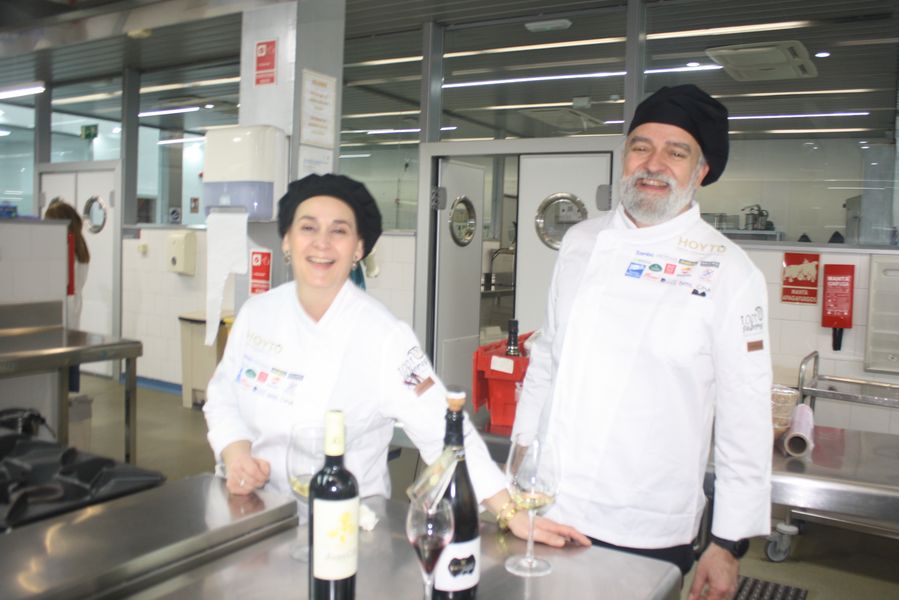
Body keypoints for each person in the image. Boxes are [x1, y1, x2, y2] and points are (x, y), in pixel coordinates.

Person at [203, 173, 587, 548]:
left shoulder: (383, 335)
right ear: (287, 239)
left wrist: (510, 512)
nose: (322, 243)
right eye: (308, 228)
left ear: (358, 248)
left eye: (339, 231)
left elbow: (443, 431)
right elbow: (223, 399)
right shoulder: (257, 314)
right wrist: (236, 454)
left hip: (347, 529)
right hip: (254, 514)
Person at [512, 84, 772, 599]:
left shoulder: (730, 270)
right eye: (641, 146)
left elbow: (746, 412)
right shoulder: (581, 241)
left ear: (701, 171)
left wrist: (727, 542)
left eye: (676, 152)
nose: (654, 164)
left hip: (645, 523)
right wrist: (521, 456)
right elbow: (548, 356)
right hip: (548, 503)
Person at [44, 199, 90, 392]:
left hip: (62, 314)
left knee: (63, 370)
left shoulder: (66, 248)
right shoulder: (80, 247)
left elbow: (57, 283)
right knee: (71, 364)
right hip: (72, 311)